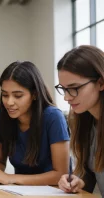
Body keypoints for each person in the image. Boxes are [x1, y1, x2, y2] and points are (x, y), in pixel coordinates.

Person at [0, 61, 70, 185]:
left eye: (18, 96)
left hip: (55, 191)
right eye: (4, 95)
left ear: (34, 94)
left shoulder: (53, 117)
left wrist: (10, 178)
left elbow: (61, 174)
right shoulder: (0, 118)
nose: (9, 102)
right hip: (19, 191)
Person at [57, 45, 104, 196]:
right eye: (64, 89)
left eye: (74, 87)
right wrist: (78, 181)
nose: (67, 97)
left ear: (101, 83)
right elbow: (91, 174)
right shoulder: (84, 121)